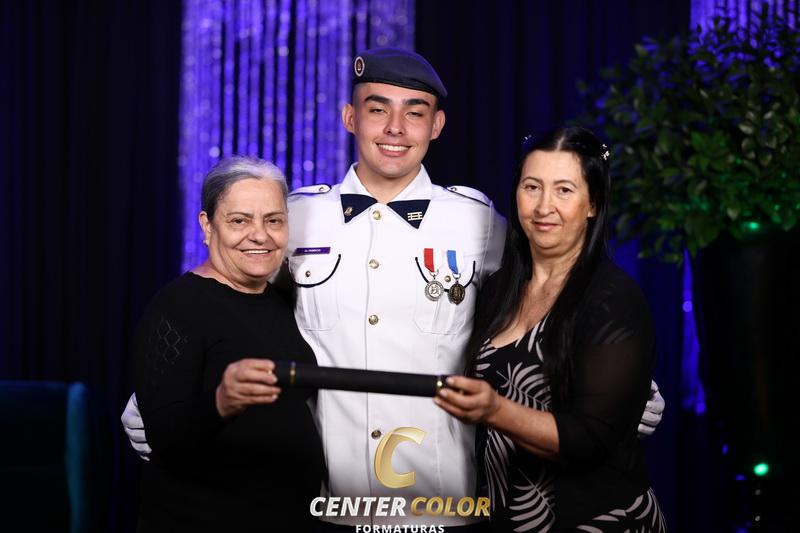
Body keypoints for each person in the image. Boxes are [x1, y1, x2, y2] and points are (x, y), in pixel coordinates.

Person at [122, 49, 664, 531]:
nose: (395, 128)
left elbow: (546, 285)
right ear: (350, 118)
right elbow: (239, 299)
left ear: (438, 125)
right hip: (325, 499)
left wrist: (612, 378)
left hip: (443, 498)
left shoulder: (475, 220)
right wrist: (170, 390)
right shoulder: (297, 215)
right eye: (378, 109)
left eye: (415, 113)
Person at [434, 126, 667, 531]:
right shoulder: (498, 289)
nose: (544, 206)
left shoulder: (612, 299)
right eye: (532, 187)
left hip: (597, 519)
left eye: (564, 190)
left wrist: (496, 410)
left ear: (592, 203)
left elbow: (591, 441)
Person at [131, 156, 324, 532]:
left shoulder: (282, 301)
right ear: (207, 226)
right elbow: (165, 440)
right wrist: (221, 402)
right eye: (240, 221)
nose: (260, 235)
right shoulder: (177, 307)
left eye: (273, 220)